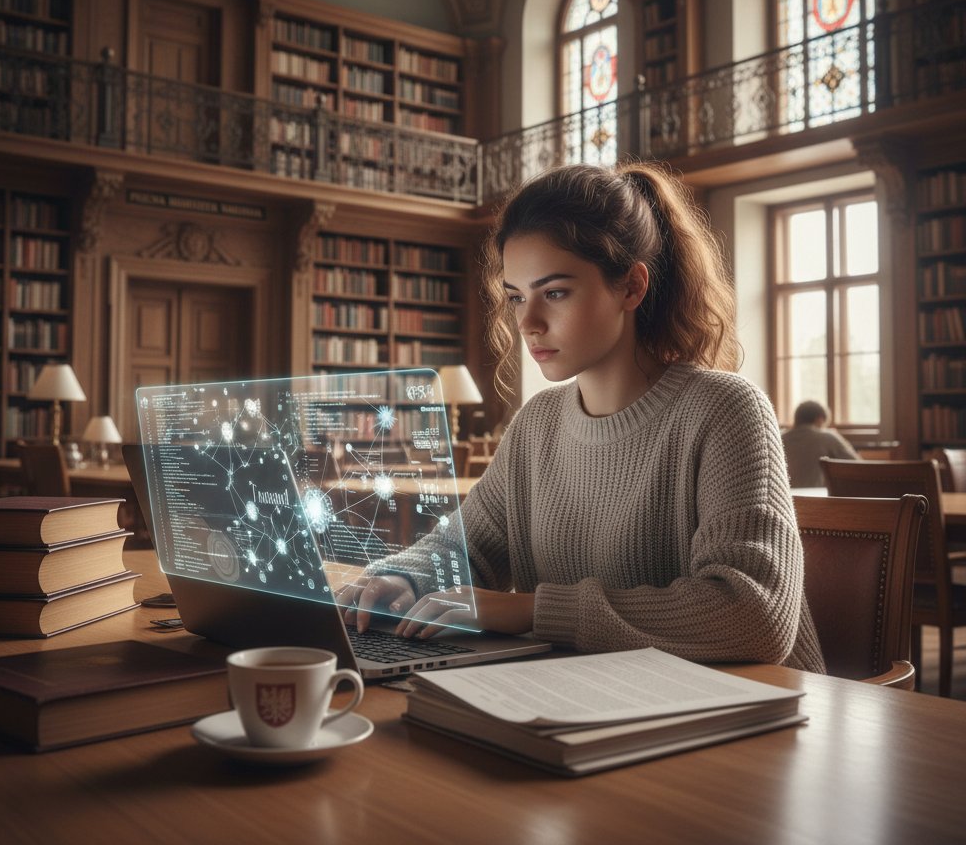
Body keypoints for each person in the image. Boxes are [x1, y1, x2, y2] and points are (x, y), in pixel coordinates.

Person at [337, 162, 824, 672]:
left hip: (762, 714)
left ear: (632, 287)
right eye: (516, 298)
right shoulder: (537, 424)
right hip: (595, 695)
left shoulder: (724, 409)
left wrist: (531, 611)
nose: (528, 323)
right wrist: (403, 578)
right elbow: (463, 545)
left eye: (555, 293)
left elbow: (755, 616)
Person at [781, 400, 860, 488]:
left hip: (785, 497)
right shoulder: (827, 437)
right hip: (816, 497)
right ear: (820, 419)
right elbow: (858, 465)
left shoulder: (780, 438)